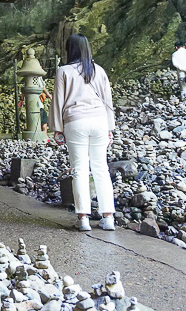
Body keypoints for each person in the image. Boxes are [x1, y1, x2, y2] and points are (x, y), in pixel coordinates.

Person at [51, 33, 116, 232]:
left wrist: (57, 128)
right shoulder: (99, 70)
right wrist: (110, 128)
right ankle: (108, 218)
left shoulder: (64, 71)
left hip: (76, 122)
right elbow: (108, 101)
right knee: (101, 169)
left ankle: (84, 218)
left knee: (79, 169)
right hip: (99, 121)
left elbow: (58, 101)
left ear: (70, 50)